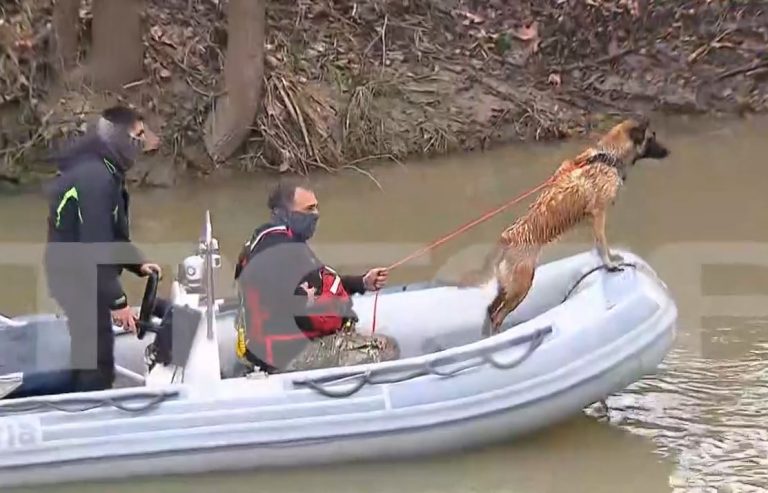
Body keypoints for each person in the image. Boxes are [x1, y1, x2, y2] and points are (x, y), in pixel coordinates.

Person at [43, 105, 163, 393]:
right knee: (96, 355)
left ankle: (90, 394)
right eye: (138, 135)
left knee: (97, 346)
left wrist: (137, 264)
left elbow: (113, 237)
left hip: (82, 270)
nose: (142, 143)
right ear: (119, 137)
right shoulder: (94, 178)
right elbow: (94, 245)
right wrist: (118, 301)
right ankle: (88, 407)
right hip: (75, 275)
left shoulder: (105, 171)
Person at [233, 178, 400, 374]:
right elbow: (314, 315)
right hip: (285, 355)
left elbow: (316, 283)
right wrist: (342, 314)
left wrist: (362, 282)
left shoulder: (265, 241)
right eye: (309, 209)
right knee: (386, 347)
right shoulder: (285, 253)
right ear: (284, 213)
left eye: (316, 208)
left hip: (262, 347)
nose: (316, 215)